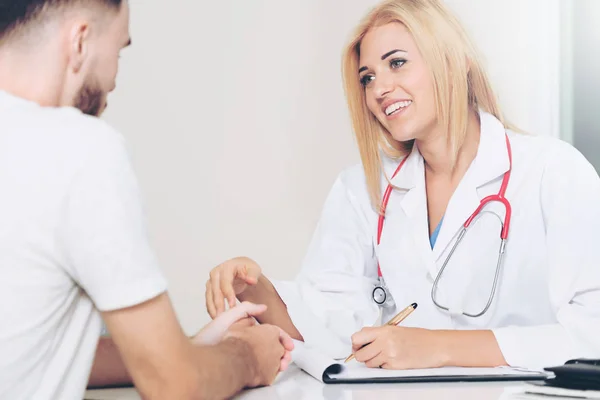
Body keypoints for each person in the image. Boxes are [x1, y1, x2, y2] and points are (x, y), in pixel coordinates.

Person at [206, 0, 600, 371]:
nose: (379, 89)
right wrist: (257, 291)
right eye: (368, 77)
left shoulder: (554, 171)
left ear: (455, 60)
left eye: (397, 63)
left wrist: (437, 347)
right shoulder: (361, 189)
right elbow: (329, 326)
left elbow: (592, 331)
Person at [0, 1, 293, 399]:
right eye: (118, 52)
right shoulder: (78, 148)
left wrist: (181, 350)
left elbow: (24, 350)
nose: (114, 81)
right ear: (80, 41)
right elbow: (175, 387)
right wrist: (246, 356)